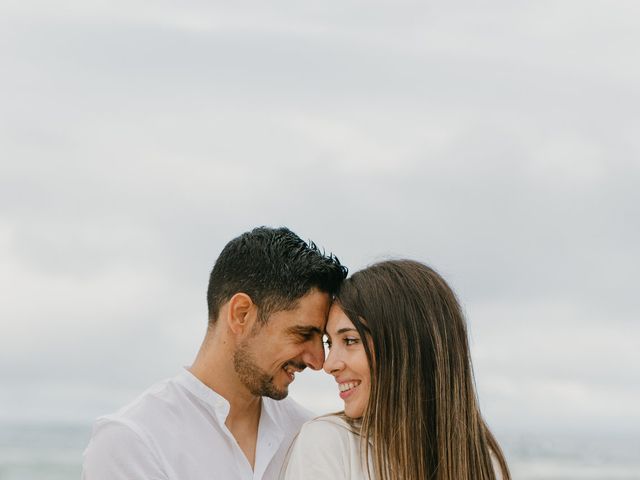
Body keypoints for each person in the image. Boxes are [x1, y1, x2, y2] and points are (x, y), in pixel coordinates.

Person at [82, 226, 347, 480]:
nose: (318, 361)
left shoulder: (309, 435)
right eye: (302, 334)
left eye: (322, 340)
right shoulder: (133, 442)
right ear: (241, 314)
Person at [282, 259, 510, 480]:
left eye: (350, 341)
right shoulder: (329, 443)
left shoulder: (483, 462)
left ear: (408, 348)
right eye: (330, 343)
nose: (329, 365)